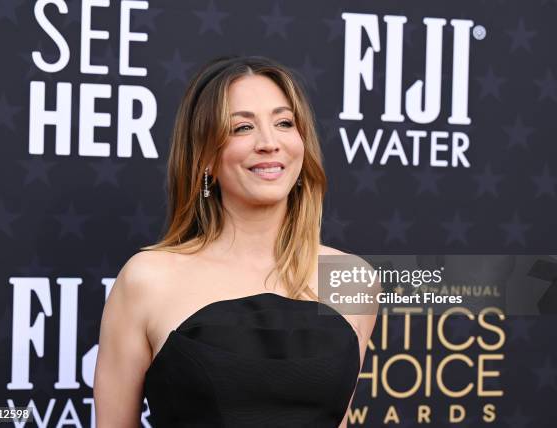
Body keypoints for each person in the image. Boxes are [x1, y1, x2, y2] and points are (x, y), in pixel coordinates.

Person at [93, 55, 379, 427]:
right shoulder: (147, 279)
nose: (269, 142)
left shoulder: (351, 279)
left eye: (284, 123)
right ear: (206, 157)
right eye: (242, 127)